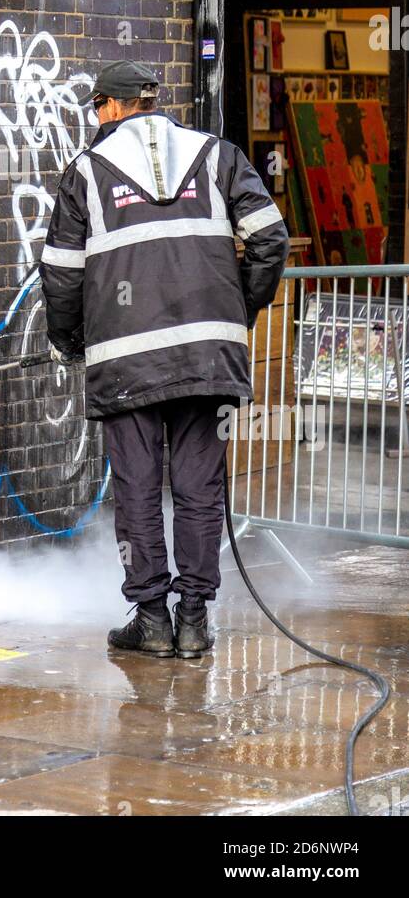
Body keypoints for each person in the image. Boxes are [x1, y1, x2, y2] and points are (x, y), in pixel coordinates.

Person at [39, 60, 289, 658]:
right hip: (207, 356)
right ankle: (195, 621)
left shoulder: (86, 173)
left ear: (113, 106)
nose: (94, 119)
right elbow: (270, 239)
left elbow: (62, 275)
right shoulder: (220, 157)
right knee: (201, 490)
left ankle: (151, 620)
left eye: (96, 107)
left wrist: (72, 343)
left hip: (125, 362)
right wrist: (237, 314)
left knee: (138, 488)